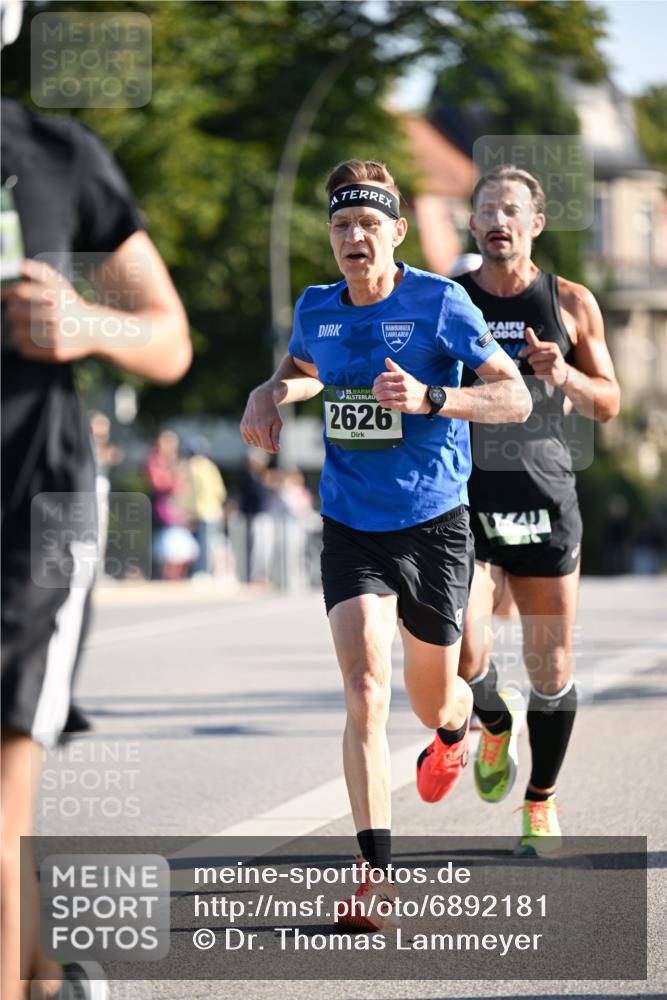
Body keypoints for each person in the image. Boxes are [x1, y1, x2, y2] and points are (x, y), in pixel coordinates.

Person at [241, 158, 531, 928]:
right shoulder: (317, 307)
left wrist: (435, 396)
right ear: (330, 236)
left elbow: (514, 395)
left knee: (434, 697)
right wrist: (268, 392)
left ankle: (469, 720)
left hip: (434, 525)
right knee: (365, 689)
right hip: (350, 526)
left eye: (369, 224)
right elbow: (304, 369)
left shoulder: (440, 302)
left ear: (397, 233)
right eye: (341, 225)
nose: (354, 237)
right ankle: (374, 875)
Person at [1, 89, 191, 1000]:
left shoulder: (55, 155)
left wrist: (85, 326)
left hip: (28, 512)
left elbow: (169, 338)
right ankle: (48, 982)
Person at [452, 164, 620, 855]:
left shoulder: (571, 302)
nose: (497, 221)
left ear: (534, 224)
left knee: (549, 668)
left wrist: (563, 373)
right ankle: (492, 723)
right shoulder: (445, 299)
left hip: (544, 502)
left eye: (510, 211)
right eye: (486, 210)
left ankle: (540, 800)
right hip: (463, 499)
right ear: (472, 224)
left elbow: (607, 403)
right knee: (464, 653)